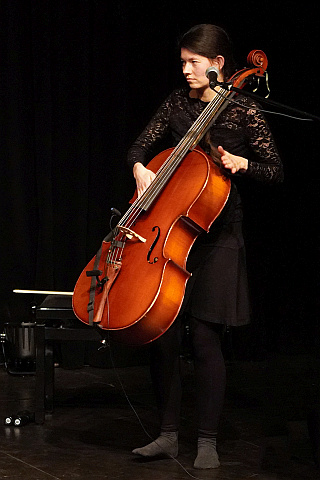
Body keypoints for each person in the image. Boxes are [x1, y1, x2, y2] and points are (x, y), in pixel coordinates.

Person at [127, 24, 283, 469]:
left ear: (218, 65)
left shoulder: (242, 109)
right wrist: (140, 167)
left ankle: (209, 442)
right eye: (182, 62)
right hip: (173, 236)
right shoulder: (178, 102)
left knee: (205, 339)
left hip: (219, 237)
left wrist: (243, 163)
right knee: (164, 336)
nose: (186, 70)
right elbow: (141, 143)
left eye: (193, 62)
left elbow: (275, 169)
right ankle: (168, 435)